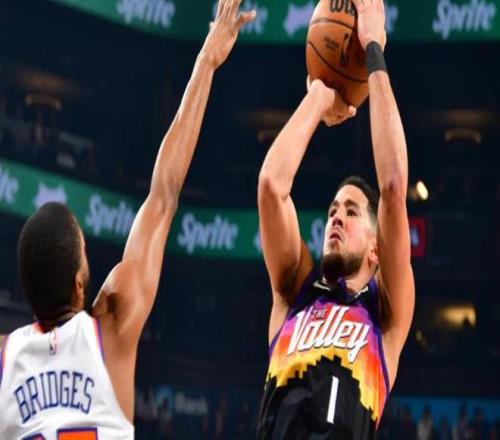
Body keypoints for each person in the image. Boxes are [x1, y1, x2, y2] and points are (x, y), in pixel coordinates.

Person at [0, 1, 255, 437]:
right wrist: (207, 62)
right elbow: (164, 194)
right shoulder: (111, 327)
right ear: (80, 283)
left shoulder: (6, 359)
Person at [256, 0, 415, 438]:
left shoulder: (384, 315)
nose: (336, 219)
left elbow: (394, 186)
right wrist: (319, 98)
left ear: (376, 248)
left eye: (350, 211)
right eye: (331, 211)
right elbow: (271, 186)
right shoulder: (295, 293)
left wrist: (373, 48)